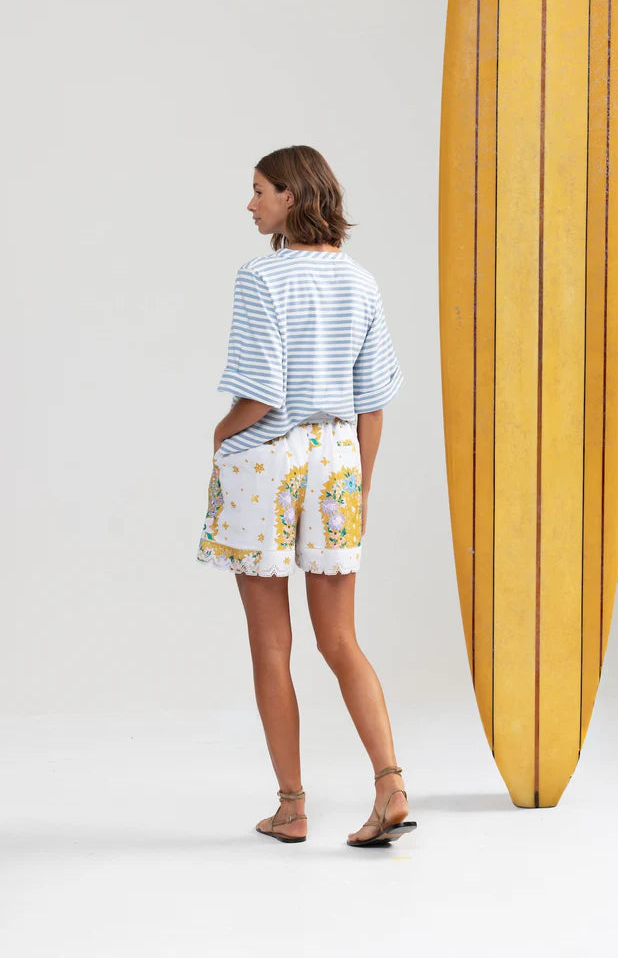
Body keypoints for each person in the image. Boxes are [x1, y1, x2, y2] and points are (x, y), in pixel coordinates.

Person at [196, 144, 417, 848]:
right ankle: (389, 783)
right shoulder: (361, 281)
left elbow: (260, 394)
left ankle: (292, 808)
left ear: (291, 196)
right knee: (340, 638)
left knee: (272, 645)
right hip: (338, 459)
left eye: (259, 189)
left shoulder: (260, 276)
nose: (251, 203)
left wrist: (219, 433)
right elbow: (373, 402)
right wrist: (360, 485)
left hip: (268, 460)